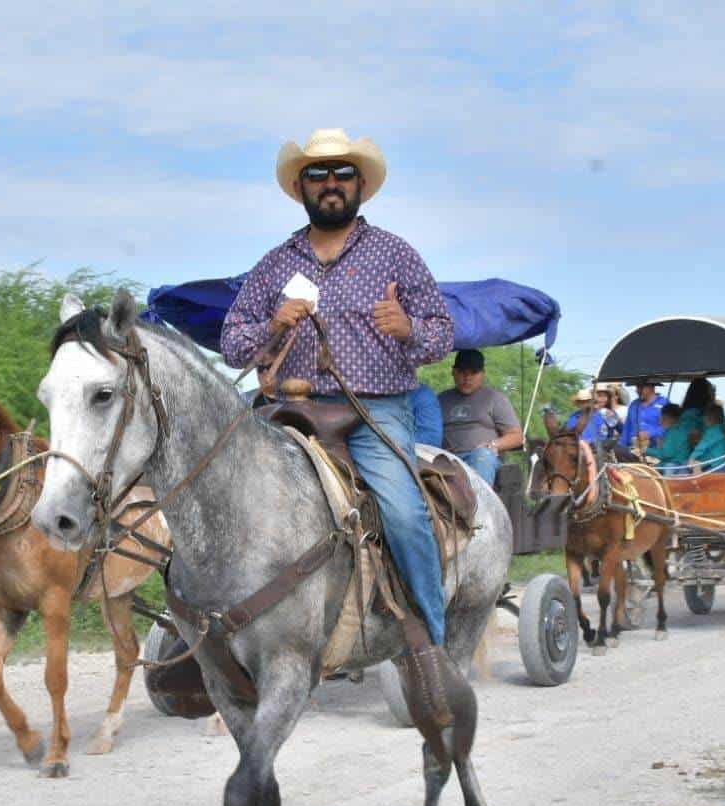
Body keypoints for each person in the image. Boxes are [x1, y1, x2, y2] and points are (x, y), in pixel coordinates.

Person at [220, 128, 455, 647]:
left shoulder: (396, 255)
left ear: (360, 183)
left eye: (342, 173)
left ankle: (431, 643)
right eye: (317, 174)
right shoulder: (276, 263)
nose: (330, 183)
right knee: (213, 483)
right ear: (301, 187)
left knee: (403, 512)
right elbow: (233, 345)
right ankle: (208, 627)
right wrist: (273, 325)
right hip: (290, 408)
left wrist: (408, 329)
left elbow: (441, 332)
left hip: (371, 410)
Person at [435, 348, 523, 485]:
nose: (467, 378)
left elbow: (517, 437)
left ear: (482, 374)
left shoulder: (495, 398)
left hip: (483, 459)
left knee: (482, 456)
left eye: (473, 373)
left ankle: (482, 505)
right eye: (462, 372)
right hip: (447, 459)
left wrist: (492, 445)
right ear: (453, 372)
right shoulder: (439, 400)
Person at [643, 403, 692, 474]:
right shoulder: (677, 430)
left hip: (676, 467)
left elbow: (666, 454)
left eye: (662, 417)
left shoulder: (675, 432)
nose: (660, 421)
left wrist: (645, 450)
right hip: (676, 463)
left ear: (668, 418)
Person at [620, 380, 666, 450]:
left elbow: (670, 427)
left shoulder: (664, 404)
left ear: (652, 387)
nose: (638, 390)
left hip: (655, 451)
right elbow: (627, 427)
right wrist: (622, 446)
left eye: (641, 387)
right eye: (637, 387)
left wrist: (649, 433)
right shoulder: (634, 404)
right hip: (633, 449)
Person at [688, 404, 725, 471]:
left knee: (694, 469)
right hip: (720, 463)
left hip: (715, 466)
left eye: (704, 416)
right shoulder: (719, 430)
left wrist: (691, 458)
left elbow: (701, 447)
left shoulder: (712, 432)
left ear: (709, 418)